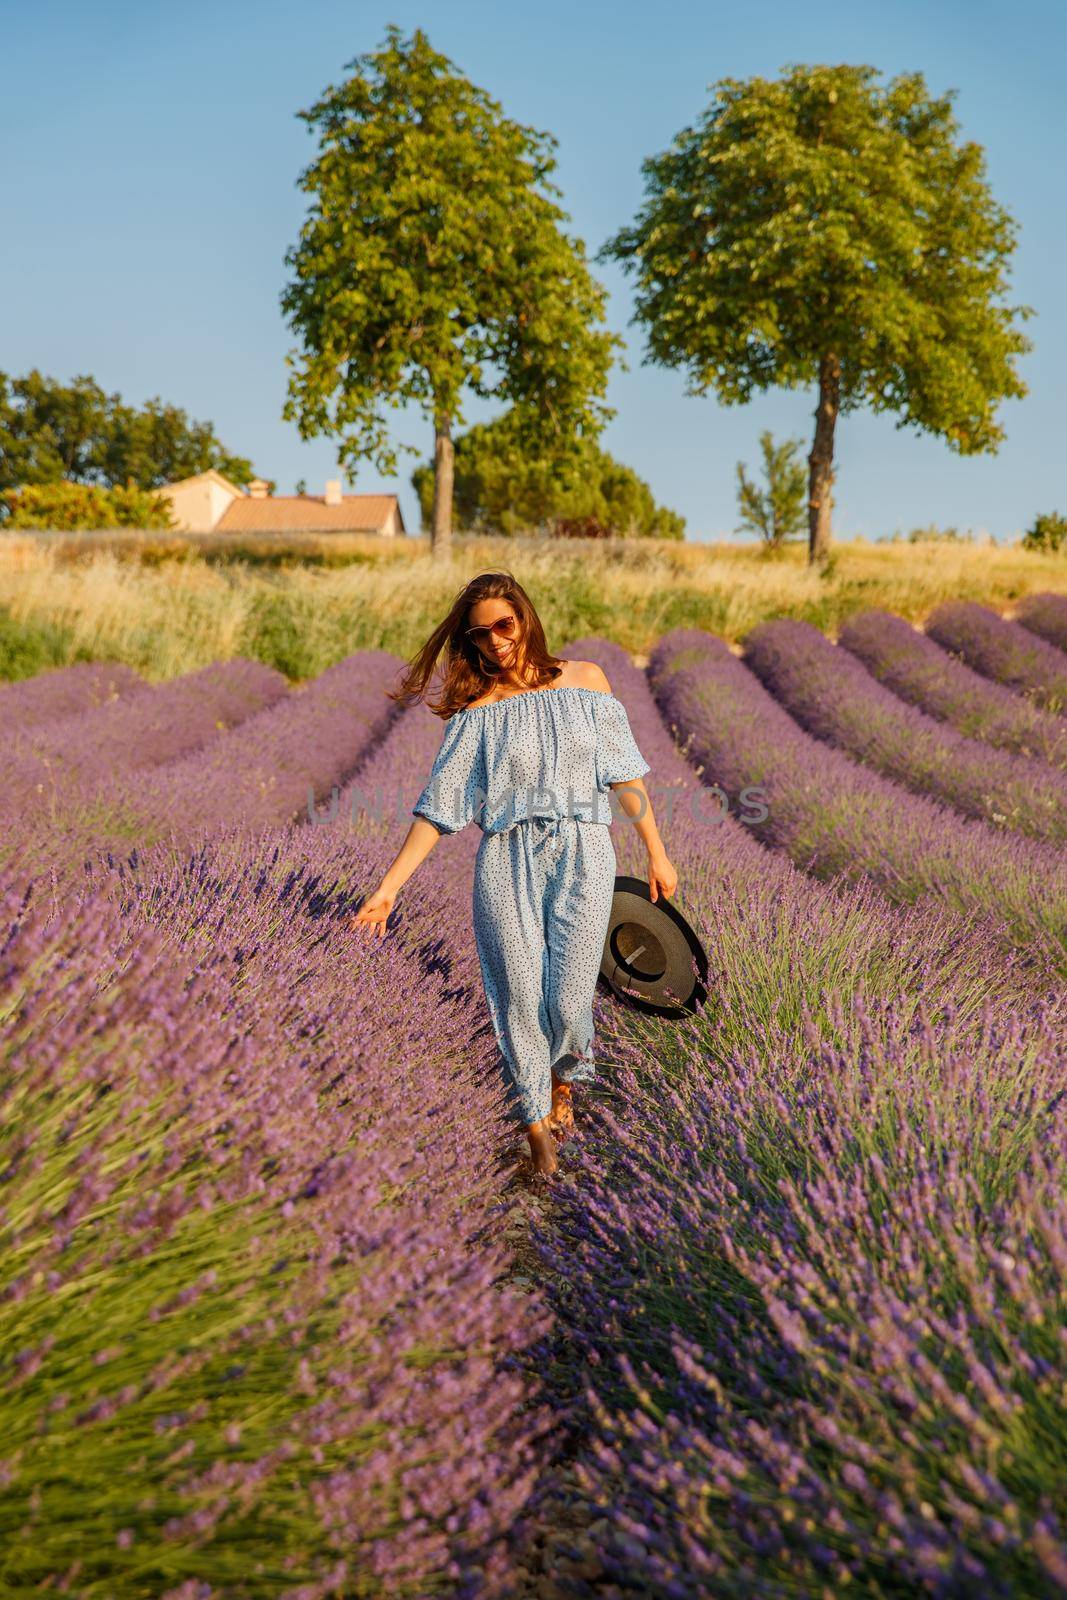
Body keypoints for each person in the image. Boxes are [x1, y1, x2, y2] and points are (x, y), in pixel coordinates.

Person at [352, 570, 677, 1178]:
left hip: (586, 850)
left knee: (570, 997)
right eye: (480, 635)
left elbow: (625, 776)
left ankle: (563, 1085)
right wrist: (387, 890)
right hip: (507, 859)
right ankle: (539, 1145)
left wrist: (656, 851)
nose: (495, 642)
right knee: (518, 999)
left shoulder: (587, 680)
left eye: (503, 625)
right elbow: (438, 809)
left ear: (524, 617)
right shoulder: (476, 715)